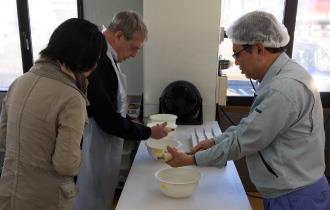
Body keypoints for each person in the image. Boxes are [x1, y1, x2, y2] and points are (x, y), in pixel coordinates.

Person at [166, 11, 330, 210]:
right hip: (290, 191)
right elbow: (251, 126)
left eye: (237, 54)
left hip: (296, 197)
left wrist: (191, 160)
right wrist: (214, 141)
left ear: (259, 49)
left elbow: (244, 141)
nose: (236, 62)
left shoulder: (283, 89)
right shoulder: (282, 77)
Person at [0, 18, 107, 210]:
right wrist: (83, 160)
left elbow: (3, 138)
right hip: (46, 199)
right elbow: (65, 164)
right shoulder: (71, 98)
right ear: (85, 61)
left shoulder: (18, 83)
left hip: (9, 191)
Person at [75, 11, 168, 210]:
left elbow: (115, 106)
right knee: (89, 199)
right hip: (92, 144)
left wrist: (136, 125)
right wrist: (148, 132)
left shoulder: (109, 57)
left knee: (101, 197)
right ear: (118, 36)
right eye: (134, 48)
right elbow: (108, 118)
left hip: (105, 143)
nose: (134, 54)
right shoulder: (97, 59)